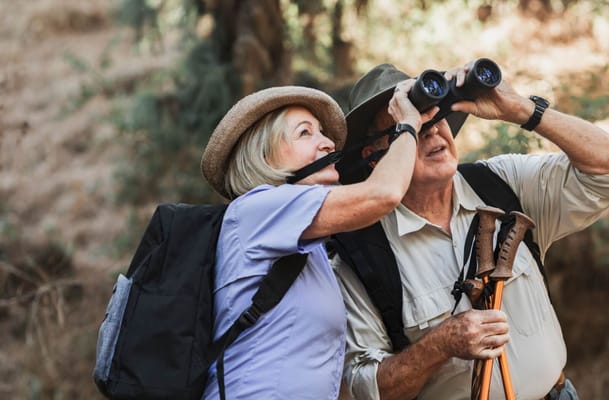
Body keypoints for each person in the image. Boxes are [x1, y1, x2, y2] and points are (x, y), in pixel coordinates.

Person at [332, 61, 609, 400]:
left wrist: (523, 110)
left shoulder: (502, 184)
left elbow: (604, 170)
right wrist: (441, 343)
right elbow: (368, 387)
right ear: (374, 157)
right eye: (409, 126)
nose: (432, 130)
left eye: (434, 117)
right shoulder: (362, 255)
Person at [199, 84, 439, 399]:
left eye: (322, 132)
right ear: (264, 156)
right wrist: (407, 126)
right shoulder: (256, 210)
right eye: (305, 133)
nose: (327, 143)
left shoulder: (311, 246)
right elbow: (384, 194)